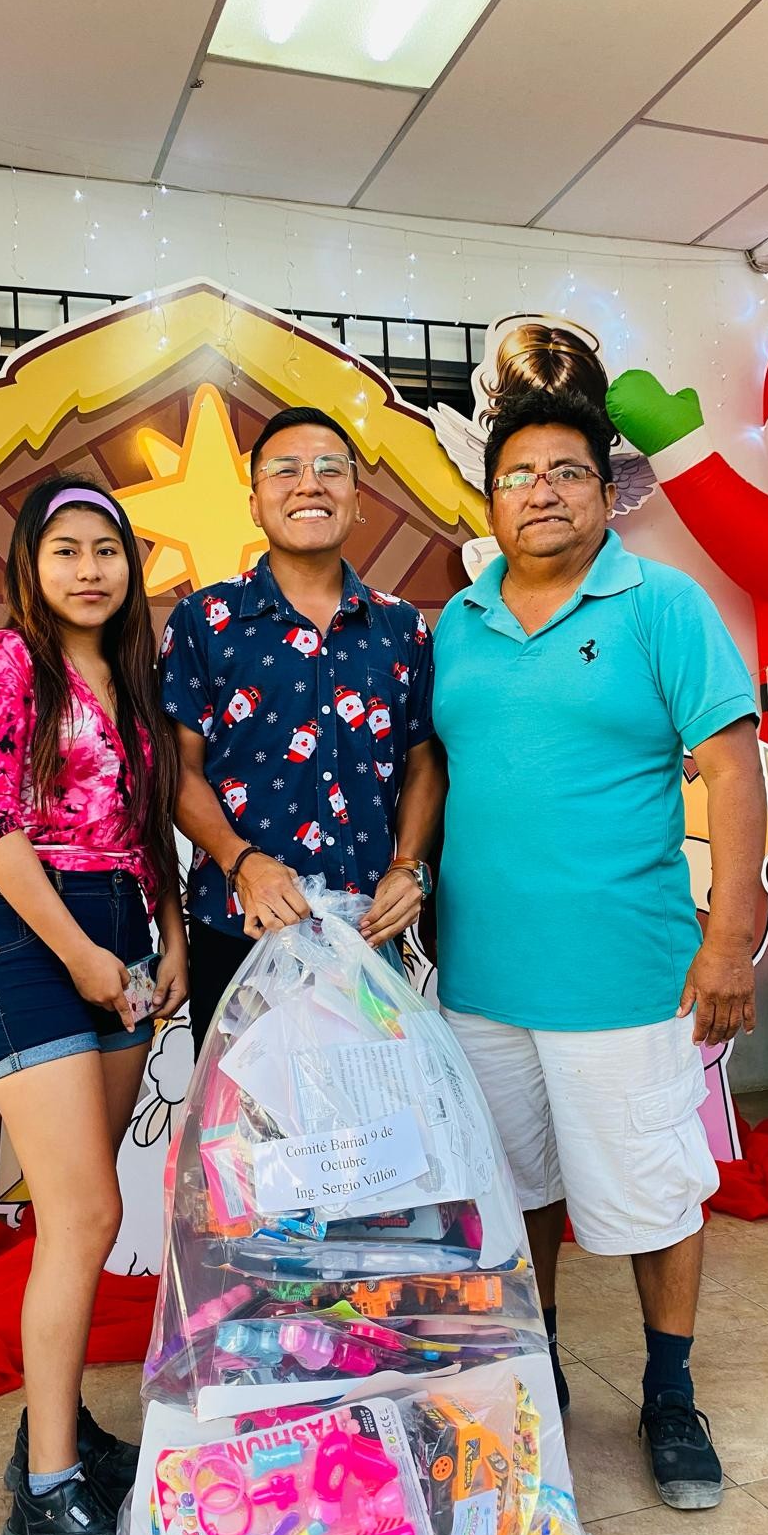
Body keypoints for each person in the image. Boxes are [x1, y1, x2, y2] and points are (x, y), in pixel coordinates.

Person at [432, 388, 765, 1510]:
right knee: (516, 1192)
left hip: (625, 977)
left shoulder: (662, 603)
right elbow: (434, 773)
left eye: (567, 472)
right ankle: (541, 1371)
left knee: (653, 1195)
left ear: (606, 492)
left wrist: (731, 940)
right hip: (482, 983)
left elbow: (733, 773)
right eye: (519, 474)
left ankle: (670, 1393)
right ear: (491, 499)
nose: (543, 492)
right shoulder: (457, 622)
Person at [0, 475, 187, 1535]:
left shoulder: (136, 675)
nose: (89, 569)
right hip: (26, 933)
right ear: (31, 566)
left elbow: (148, 825)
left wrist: (167, 934)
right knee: (86, 1215)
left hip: (126, 925)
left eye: (107, 550)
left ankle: (54, 1434)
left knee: (82, 1217)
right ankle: (47, 1496)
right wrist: (85, 957)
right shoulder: (6, 660)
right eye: (66, 550)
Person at [162, 405, 444, 1051]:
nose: (309, 484)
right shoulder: (203, 621)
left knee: (374, 1112)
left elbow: (425, 761)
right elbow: (177, 770)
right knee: (241, 1116)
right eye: (285, 470)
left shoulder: (402, 628)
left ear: (357, 498)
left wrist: (410, 866)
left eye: (329, 469)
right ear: (254, 503)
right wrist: (241, 862)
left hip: (367, 936)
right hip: (240, 932)